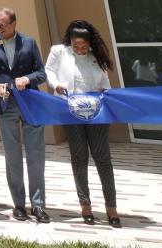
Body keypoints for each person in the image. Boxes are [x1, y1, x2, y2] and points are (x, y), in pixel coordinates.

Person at [45, 20, 121, 228]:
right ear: (70, 42)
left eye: (84, 47)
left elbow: (105, 85)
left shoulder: (97, 57)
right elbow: (48, 71)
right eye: (76, 46)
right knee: (79, 157)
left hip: (96, 113)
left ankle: (111, 207)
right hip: (70, 112)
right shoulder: (59, 52)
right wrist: (56, 84)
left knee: (102, 158)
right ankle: (85, 205)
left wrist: (105, 93)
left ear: (90, 44)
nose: (80, 49)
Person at [0, 7, 49, 223]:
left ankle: (38, 205)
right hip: (5, 103)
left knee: (35, 155)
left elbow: (41, 73)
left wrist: (27, 79)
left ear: (13, 24)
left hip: (30, 104)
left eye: (2, 25)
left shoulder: (29, 42)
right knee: (12, 155)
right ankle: (19, 204)